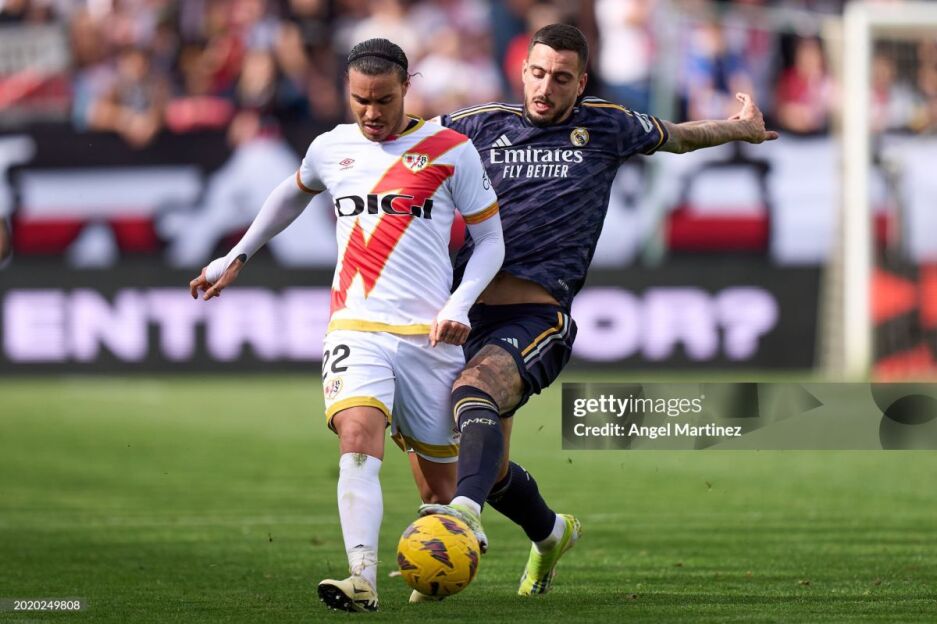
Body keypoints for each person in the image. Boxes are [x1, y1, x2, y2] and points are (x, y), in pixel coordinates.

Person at [416, 23, 778, 600]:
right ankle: (550, 533)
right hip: (462, 313)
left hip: (537, 316)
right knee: (484, 467)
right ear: (522, 71)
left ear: (580, 83)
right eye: (538, 74)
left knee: (474, 395)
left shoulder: (606, 124)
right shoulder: (478, 124)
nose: (545, 88)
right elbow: (407, 143)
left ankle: (461, 519)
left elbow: (680, 137)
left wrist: (741, 128)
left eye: (561, 79)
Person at [189, 38, 504, 613]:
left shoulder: (451, 150)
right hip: (356, 326)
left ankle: (492, 540)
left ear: (406, 87)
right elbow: (292, 193)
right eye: (360, 100)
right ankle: (362, 577)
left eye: (383, 100)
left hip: (430, 338)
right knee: (357, 437)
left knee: (439, 492)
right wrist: (237, 255)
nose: (371, 112)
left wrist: (460, 304)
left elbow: (490, 241)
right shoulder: (330, 147)